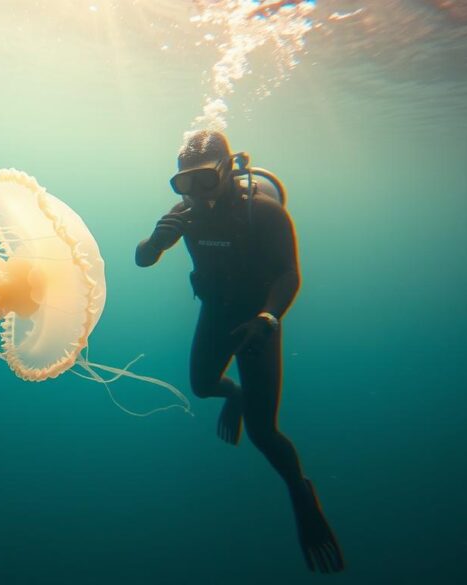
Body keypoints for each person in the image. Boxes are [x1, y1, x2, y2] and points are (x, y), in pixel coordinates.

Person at [135, 130, 345, 573]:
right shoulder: (185, 215)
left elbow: (289, 275)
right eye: (184, 184)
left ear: (230, 169)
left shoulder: (265, 214)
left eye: (205, 181)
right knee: (202, 386)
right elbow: (142, 259)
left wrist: (268, 319)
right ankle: (236, 395)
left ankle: (301, 496)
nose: (196, 194)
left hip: (257, 323)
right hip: (215, 312)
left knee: (263, 432)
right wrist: (154, 242)